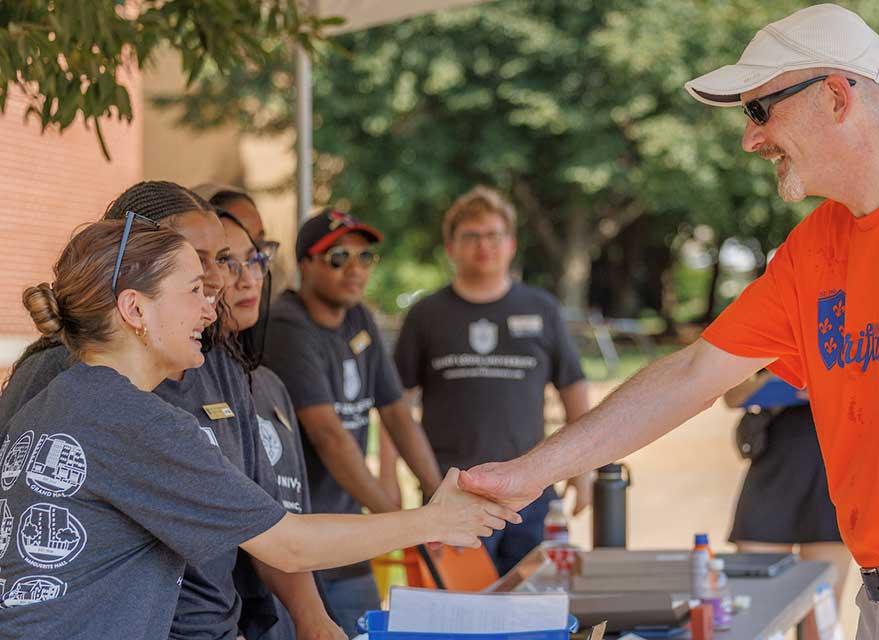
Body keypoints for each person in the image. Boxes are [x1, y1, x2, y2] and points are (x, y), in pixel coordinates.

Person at [458, 5, 879, 638]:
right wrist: (524, 474)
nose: (751, 139)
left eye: (760, 110)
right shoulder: (814, 249)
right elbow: (693, 374)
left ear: (836, 95)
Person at [0, 220, 514, 637]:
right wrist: (434, 521)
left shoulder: (58, 402)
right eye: (193, 291)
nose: (212, 304)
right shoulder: (132, 419)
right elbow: (288, 544)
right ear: (135, 309)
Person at [0, 181, 335, 640]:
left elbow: (266, 517)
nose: (219, 279)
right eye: (197, 263)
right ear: (140, 275)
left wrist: (312, 616)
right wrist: (433, 519)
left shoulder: (216, 365)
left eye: (223, 258)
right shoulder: (67, 376)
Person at [392, 186, 591, 575]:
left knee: (531, 610)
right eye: (471, 236)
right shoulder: (427, 315)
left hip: (532, 491)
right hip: (452, 493)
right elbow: (392, 404)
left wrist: (582, 472)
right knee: (461, 618)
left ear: (512, 244)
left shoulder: (541, 308)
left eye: (493, 235)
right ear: (450, 247)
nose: (484, 246)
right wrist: (390, 483)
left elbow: (574, 389)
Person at [263, 208, 444, 634]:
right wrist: (400, 523)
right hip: (301, 541)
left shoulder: (358, 318)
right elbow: (329, 437)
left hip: (349, 539)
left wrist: (437, 494)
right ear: (306, 263)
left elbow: (397, 413)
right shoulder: (287, 326)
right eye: (339, 257)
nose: (355, 270)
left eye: (365, 258)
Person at [202, 182, 337, 640]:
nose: (250, 276)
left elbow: (287, 514)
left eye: (258, 252)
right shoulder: (167, 386)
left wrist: (312, 614)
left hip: (287, 614)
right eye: (226, 259)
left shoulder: (268, 385)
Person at [724, 372, 851, 639]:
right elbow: (731, 395)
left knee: (821, 620)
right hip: (772, 473)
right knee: (752, 610)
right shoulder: (768, 337)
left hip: (834, 477)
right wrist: (773, 381)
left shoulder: (858, 335)